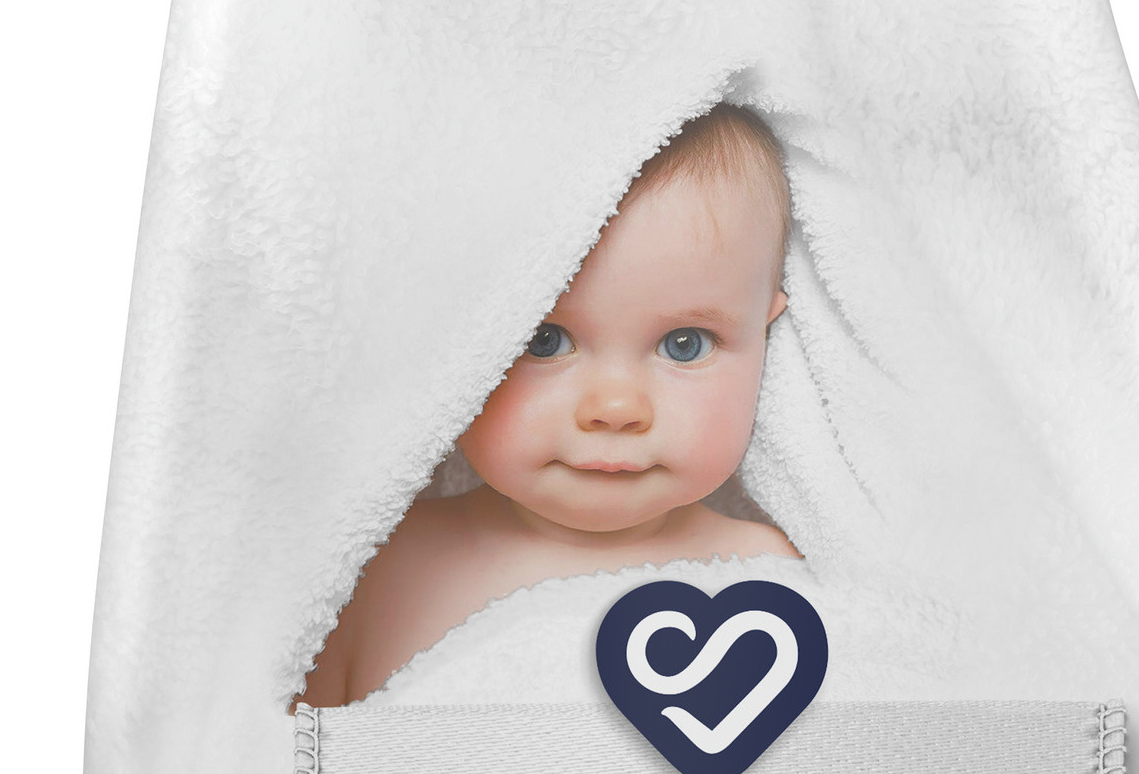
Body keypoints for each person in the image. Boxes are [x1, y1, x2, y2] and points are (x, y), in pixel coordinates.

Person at [304, 105, 798, 708]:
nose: (615, 407)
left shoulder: (769, 582)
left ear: (766, 332)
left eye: (684, 344)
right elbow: (289, 762)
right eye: (545, 341)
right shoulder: (370, 575)